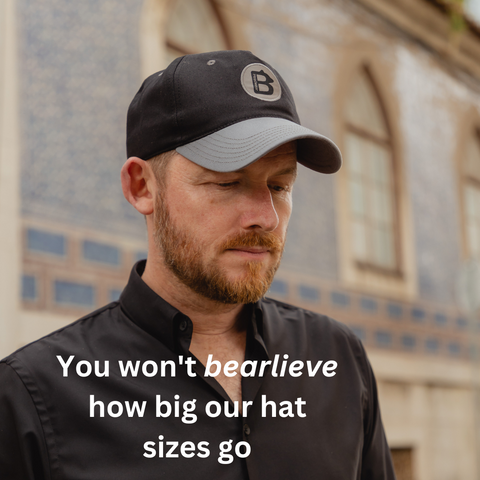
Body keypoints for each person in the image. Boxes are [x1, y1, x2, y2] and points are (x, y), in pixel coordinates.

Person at [0, 50, 396, 479]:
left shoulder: (338, 359)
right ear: (141, 187)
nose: (266, 217)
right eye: (227, 182)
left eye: (280, 185)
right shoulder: (33, 398)